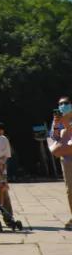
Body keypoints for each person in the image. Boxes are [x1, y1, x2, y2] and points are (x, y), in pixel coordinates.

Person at [49, 98, 72, 229]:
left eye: (66, 103)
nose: (63, 105)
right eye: (60, 104)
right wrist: (57, 125)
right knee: (70, 190)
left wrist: (66, 124)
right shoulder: (57, 120)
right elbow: (54, 138)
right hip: (67, 159)